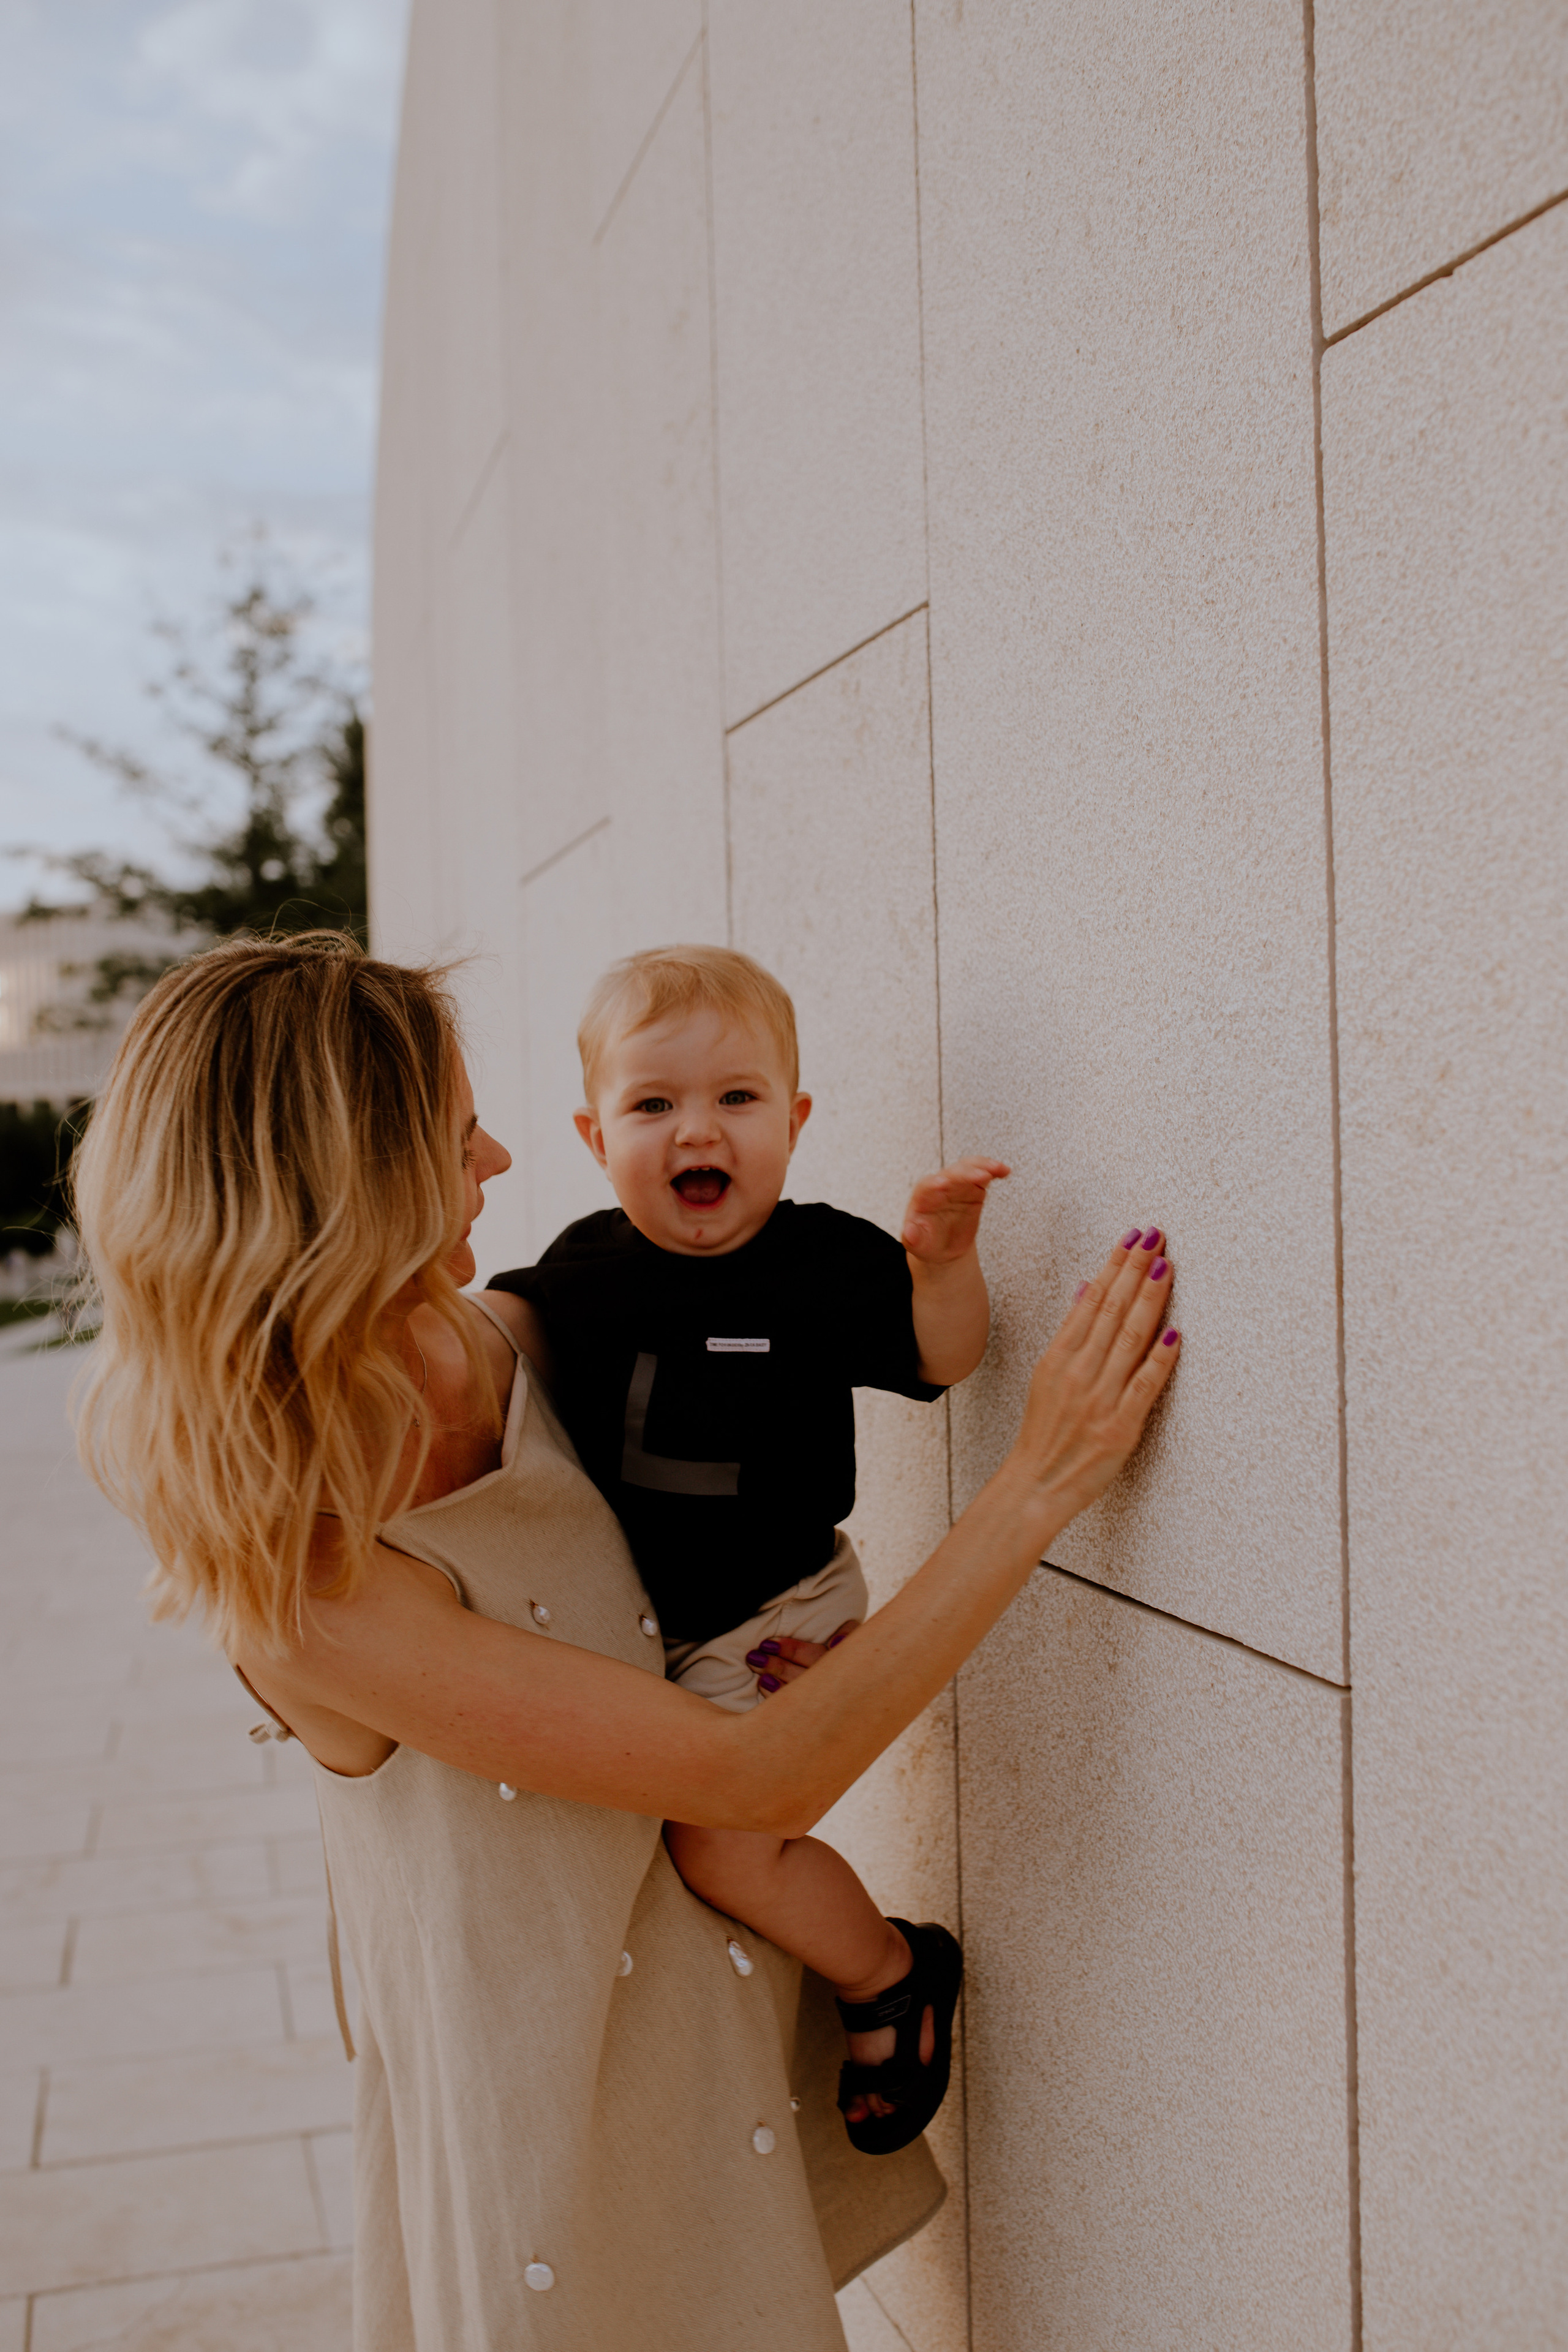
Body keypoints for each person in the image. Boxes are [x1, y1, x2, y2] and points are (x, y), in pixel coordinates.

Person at [70, 932, 1181, 2352]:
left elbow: (735, 1323)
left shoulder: (488, 1342)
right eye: (452, 1129)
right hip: (543, 2100)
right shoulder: (310, 1573)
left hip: (702, 2003)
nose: (497, 1160)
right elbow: (753, 1780)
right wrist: (1035, 1483)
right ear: (343, 1183)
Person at [489, 944, 1020, 2154]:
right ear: (592, 1134)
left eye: (736, 1098)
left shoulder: (822, 1262)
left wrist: (940, 1264)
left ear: (794, 1118)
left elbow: (941, 1360)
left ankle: (887, 1979)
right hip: (642, 1627)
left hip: (784, 1609)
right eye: (653, 1105)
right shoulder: (582, 1272)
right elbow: (490, 1353)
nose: (699, 1132)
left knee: (724, 1851)